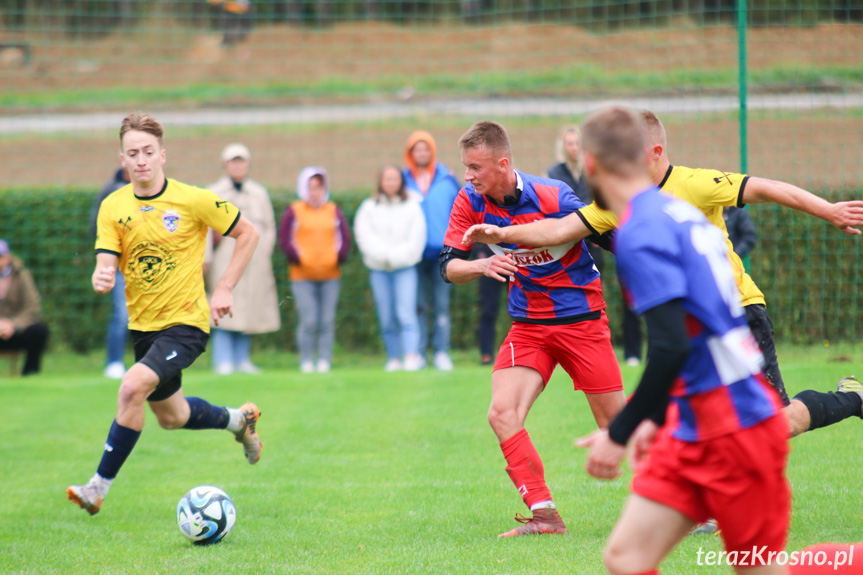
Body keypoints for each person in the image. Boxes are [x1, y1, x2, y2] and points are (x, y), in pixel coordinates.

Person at [464, 110, 863, 442]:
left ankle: (851, 399)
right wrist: (503, 234)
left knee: (772, 426)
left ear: (654, 152)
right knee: (687, 418)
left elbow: (768, 188)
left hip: (738, 312)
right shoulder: (615, 203)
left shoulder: (695, 183)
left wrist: (828, 211)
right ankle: (695, 507)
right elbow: (558, 229)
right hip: (686, 323)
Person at [574, 105, 791, 575]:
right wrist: (658, 416)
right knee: (625, 558)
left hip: (736, 429)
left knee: (761, 569)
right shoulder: (675, 211)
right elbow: (697, 334)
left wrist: (620, 431)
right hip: (695, 421)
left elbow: (671, 345)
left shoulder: (639, 231)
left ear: (590, 164)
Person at [67, 112, 263, 516]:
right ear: (122, 158)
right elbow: (106, 258)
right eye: (133, 153)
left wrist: (223, 287)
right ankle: (239, 420)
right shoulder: (113, 206)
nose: (141, 160)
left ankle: (97, 488)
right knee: (173, 417)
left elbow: (249, 232)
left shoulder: (192, 199)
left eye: (148, 152)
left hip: (186, 323)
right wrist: (101, 274)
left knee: (130, 386)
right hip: (144, 329)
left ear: (163, 155)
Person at [442, 121, 625, 537]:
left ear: (502, 163)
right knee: (502, 414)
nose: (468, 176)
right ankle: (544, 515)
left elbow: (612, 238)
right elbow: (447, 266)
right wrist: (481, 264)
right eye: (465, 167)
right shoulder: (469, 200)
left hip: (581, 321)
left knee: (617, 426)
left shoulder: (554, 195)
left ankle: (695, 505)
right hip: (527, 327)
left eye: (475, 167)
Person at [548, 127, 641, 366]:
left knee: (622, 293)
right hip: (567, 244)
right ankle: (566, 349)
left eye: (578, 142)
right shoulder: (554, 174)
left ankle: (631, 352)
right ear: (563, 147)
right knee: (567, 295)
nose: (574, 147)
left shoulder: (595, 173)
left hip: (597, 242)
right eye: (569, 143)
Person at [207, 143, 280, 375]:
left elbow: (269, 227)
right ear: (225, 165)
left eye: (241, 161)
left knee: (249, 309)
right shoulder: (213, 192)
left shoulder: (259, 193)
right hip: (224, 259)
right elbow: (204, 230)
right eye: (233, 161)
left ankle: (242, 359)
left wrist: (263, 252)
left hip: (254, 261)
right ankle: (223, 360)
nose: (238, 166)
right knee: (223, 305)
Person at [354, 165, 426, 372]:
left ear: (400, 182)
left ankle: (411, 356)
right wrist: (383, 256)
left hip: (405, 268)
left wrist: (396, 257)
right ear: (381, 182)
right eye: (387, 179)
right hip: (379, 269)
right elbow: (364, 236)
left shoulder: (412, 207)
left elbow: (416, 239)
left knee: (406, 313)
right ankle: (393, 357)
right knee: (386, 315)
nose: (391, 183)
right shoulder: (369, 207)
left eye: (394, 179)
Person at [279, 166, 351, 374]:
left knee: (327, 320)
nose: (315, 192)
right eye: (311, 188)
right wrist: (299, 259)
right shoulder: (295, 210)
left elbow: (344, 238)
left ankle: (324, 360)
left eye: (318, 188)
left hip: (330, 275)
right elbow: (286, 240)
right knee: (309, 319)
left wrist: (337, 258)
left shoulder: (333, 210)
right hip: (302, 276)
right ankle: (307, 360)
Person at [403, 131, 461, 371]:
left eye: (425, 149)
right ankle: (418, 353)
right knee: (417, 306)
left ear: (432, 151)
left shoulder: (447, 179)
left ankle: (441, 352)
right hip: (413, 254)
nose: (422, 153)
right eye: (417, 149)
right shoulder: (402, 179)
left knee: (441, 306)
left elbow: (461, 212)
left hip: (442, 253)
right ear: (411, 153)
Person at [90, 164, 132, 379]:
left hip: (145, 264)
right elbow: (95, 225)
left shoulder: (151, 191)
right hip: (119, 265)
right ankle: (114, 362)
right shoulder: (110, 191)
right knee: (122, 315)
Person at [0, 239, 49, 376]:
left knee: (39, 330)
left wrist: (13, 325)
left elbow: (32, 307)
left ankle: (30, 373)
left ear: (8, 257)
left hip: (15, 330)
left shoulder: (21, 275)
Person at [471, 242, 504, 365]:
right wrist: (478, 252)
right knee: (488, 311)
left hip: (516, 258)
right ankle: (486, 354)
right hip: (488, 259)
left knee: (523, 309)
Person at [724, 205, 758, 272]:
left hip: (732, 267)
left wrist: (735, 254)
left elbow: (750, 237)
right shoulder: (711, 212)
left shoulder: (738, 212)